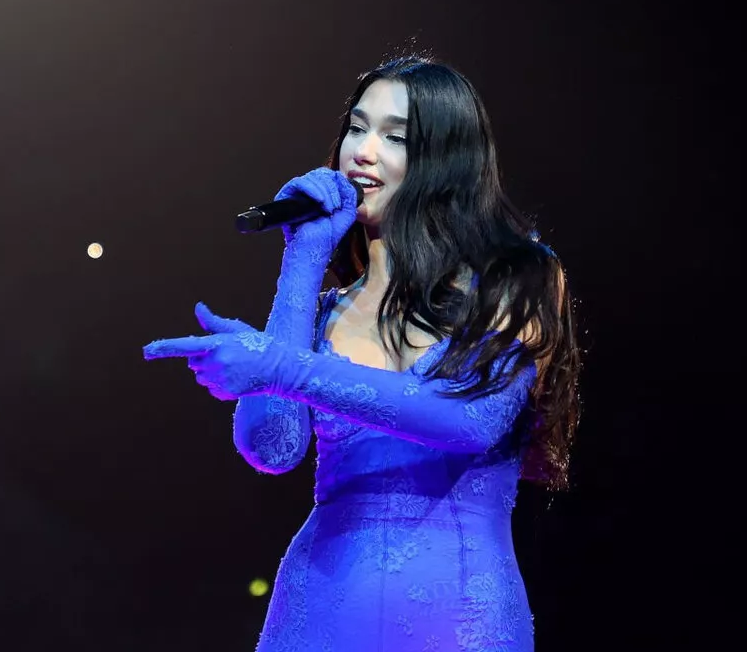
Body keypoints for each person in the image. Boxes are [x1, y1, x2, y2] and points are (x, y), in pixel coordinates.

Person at [143, 54, 581, 652]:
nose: (362, 152)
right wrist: (303, 256)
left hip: (458, 623)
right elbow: (273, 447)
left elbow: (470, 420)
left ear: (448, 159)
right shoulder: (326, 313)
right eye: (356, 128)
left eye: (394, 136)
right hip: (317, 614)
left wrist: (279, 366)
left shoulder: (518, 277)